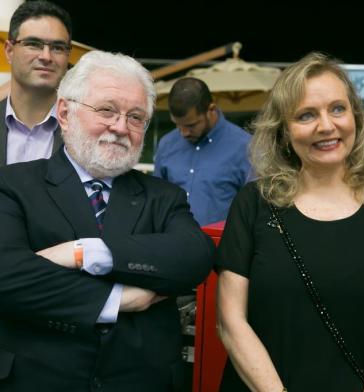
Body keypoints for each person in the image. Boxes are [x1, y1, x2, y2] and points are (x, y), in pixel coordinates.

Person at [0, 50, 214, 392]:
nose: (120, 127)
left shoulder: (163, 196)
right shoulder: (12, 184)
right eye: (107, 110)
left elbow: (194, 257)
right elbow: (6, 276)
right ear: (65, 113)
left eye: (135, 117)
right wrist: (116, 299)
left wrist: (85, 252)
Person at [215, 52, 364, 392]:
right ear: (283, 131)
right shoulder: (254, 203)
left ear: (356, 115)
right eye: (306, 115)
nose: (326, 126)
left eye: (337, 108)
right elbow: (230, 321)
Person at [153, 77, 252, 226]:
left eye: (191, 125)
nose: (184, 132)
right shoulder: (166, 144)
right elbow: (157, 201)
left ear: (211, 110)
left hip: (221, 246)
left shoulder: (246, 146)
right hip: (172, 243)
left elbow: (253, 209)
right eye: (177, 125)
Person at [0, 0, 72, 166]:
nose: (46, 57)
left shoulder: (85, 129)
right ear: (9, 51)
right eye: (33, 44)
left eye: (57, 47)